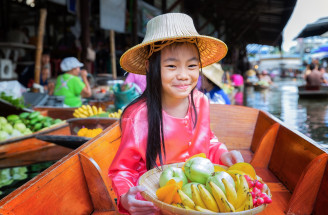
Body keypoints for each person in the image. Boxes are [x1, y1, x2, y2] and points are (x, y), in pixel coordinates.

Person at [108, 13, 244, 214]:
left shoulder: (201, 101)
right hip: (155, 203)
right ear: (150, 67)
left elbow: (208, 139)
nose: (183, 75)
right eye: (171, 66)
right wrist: (127, 197)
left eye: (191, 66)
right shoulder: (137, 115)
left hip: (198, 198)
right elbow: (122, 170)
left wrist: (223, 153)